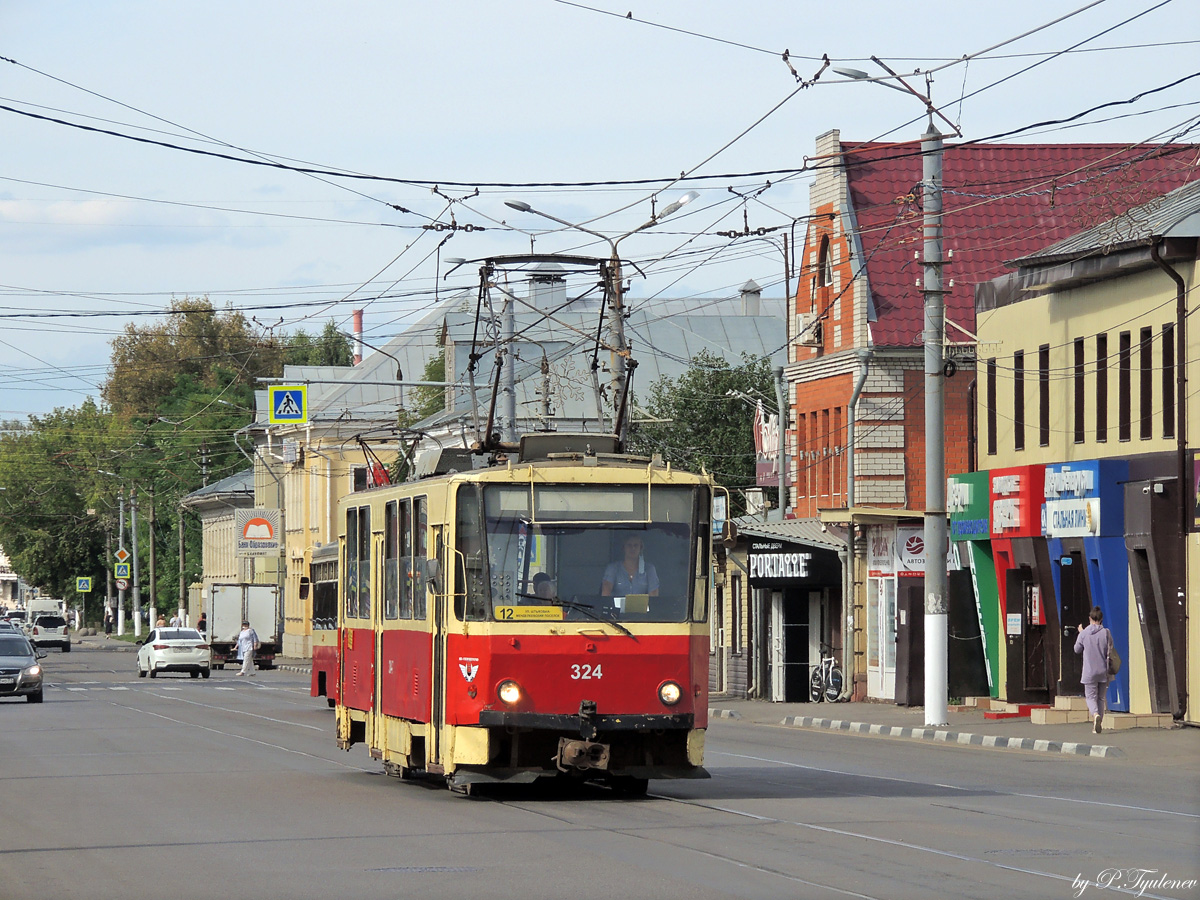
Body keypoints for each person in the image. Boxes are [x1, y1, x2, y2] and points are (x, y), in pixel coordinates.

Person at [1074, 605, 1112, 734]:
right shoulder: (1106, 633)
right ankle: (1098, 723)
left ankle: (1095, 715)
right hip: (1103, 670)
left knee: (1090, 697)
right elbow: (1110, 649)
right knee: (1100, 698)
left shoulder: (1084, 633)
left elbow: (1076, 649)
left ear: (1090, 618)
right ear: (1101, 619)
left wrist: (1081, 633)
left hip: (1089, 671)